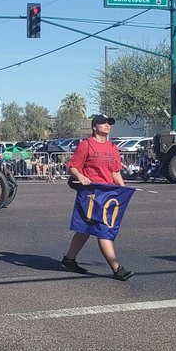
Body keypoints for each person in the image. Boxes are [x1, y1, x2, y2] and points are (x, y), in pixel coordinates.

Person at [61, 114, 132, 280]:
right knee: (103, 230)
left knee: (86, 229)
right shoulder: (86, 145)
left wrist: (123, 190)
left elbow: (115, 172)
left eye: (109, 124)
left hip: (108, 194)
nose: (107, 126)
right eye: (103, 123)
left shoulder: (112, 148)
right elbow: (73, 167)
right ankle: (117, 269)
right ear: (94, 126)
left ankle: (69, 259)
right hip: (91, 194)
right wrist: (81, 177)